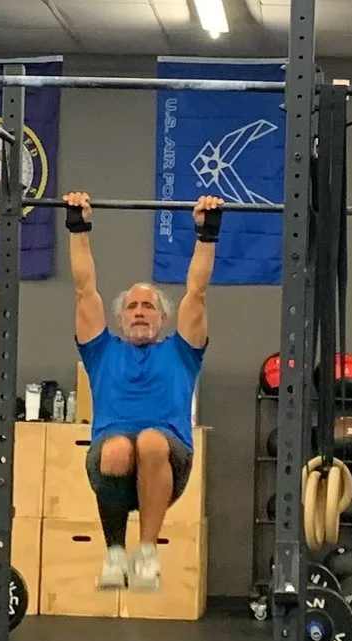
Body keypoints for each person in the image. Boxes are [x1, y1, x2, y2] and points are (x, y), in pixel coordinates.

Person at [63, 189, 221, 591]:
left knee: (151, 441)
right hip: (110, 464)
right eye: (131, 307)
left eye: (148, 307)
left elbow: (197, 292)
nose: (138, 313)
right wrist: (78, 226)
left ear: (164, 318)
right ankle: (115, 554)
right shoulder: (101, 350)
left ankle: (147, 553)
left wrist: (206, 234)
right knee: (118, 447)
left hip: (169, 462)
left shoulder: (182, 351)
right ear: (119, 318)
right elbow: (84, 289)